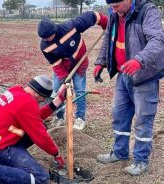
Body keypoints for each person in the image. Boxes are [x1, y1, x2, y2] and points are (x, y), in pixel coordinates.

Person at [93, 0, 164, 176]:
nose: (114, 10)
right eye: (111, 7)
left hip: (144, 77)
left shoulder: (148, 11)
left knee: (143, 120)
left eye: (116, 6)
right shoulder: (115, 14)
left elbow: (157, 41)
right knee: (119, 115)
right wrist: (101, 61)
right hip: (123, 75)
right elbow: (109, 38)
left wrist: (139, 60)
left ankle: (141, 160)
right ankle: (119, 152)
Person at [0, 75, 66, 184]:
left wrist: (57, 101)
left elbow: (34, 117)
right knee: (41, 179)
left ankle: (6, 164)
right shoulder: (27, 103)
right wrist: (56, 154)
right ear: (37, 93)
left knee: (39, 126)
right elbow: (41, 136)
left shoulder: (16, 91)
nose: (43, 101)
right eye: (43, 98)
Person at [38, 11, 108, 130]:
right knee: (57, 91)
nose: (46, 40)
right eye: (43, 38)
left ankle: (80, 118)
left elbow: (93, 16)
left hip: (80, 64)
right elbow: (55, 63)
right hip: (63, 67)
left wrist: (106, 24)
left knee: (80, 91)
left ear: (53, 31)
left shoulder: (70, 27)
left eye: (47, 37)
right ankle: (59, 117)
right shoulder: (45, 46)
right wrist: (64, 79)